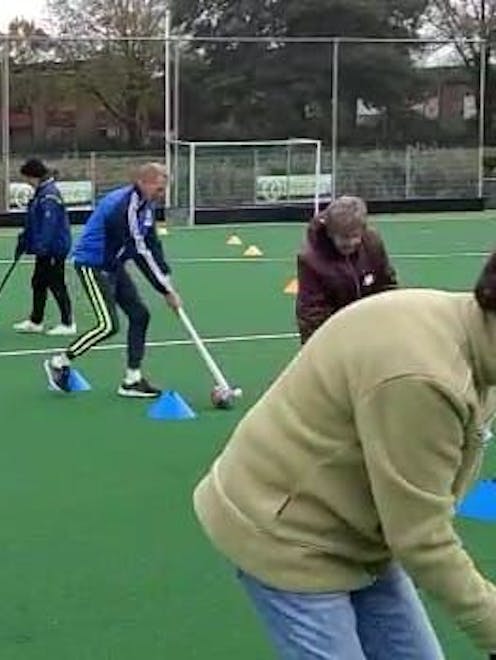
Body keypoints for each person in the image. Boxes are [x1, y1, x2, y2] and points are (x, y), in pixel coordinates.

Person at [193, 252, 496, 660]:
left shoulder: (473, 341)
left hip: (364, 537)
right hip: (287, 534)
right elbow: (421, 538)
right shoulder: (426, 377)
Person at [43, 163, 181, 397]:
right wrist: (165, 290)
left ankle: (132, 379)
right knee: (107, 325)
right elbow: (138, 251)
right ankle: (59, 362)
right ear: (142, 183)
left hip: (113, 265)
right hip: (92, 264)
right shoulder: (123, 207)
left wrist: (166, 278)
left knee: (140, 315)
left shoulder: (146, 204)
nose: (162, 194)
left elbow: (151, 243)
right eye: (158, 189)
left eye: (164, 189)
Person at [296, 195, 397, 344]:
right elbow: (312, 310)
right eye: (343, 237)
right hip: (335, 332)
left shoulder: (373, 242)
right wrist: (319, 346)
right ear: (330, 233)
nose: (351, 243)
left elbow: (387, 284)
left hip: (370, 326)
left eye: (355, 236)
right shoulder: (311, 259)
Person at [12, 158, 75, 336]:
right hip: (45, 248)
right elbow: (33, 221)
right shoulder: (40, 193)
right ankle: (36, 321)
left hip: (54, 248)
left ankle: (68, 323)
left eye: (27, 178)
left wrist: (41, 246)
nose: (27, 182)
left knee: (56, 283)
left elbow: (49, 225)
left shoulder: (49, 195)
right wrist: (24, 240)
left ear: (34, 176)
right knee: (38, 282)